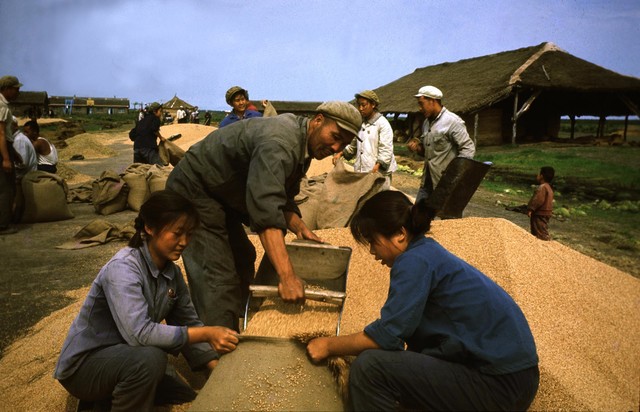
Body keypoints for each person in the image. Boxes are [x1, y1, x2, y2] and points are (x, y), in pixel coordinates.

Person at [307, 190, 539, 411]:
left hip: (500, 384)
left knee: (370, 367)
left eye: (373, 241)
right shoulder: (427, 252)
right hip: (517, 378)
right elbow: (402, 340)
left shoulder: (414, 261)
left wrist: (327, 345)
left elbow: (386, 338)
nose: (372, 252)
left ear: (400, 234)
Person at [166, 101, 362, 330]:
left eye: (344, 144)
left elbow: (281, 194)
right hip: (195, 188)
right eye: (335, 136)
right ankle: (213, 351)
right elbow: (266, 209)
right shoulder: (280, 143)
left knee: (242, 256)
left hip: (221, 192)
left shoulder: (304, 142)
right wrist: (287, 277)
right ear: (318, 120)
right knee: (216, 271)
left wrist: (299, 227)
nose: (336, 147)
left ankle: (242, 320)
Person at [53, 190, 240, 411]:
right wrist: (209, 332)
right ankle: (100, 398)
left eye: (189, 234)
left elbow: (188, 321)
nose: (184, 242)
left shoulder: (171, 273)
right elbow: (139, 333)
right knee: (151, 360)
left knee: (181, 393)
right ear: (149, 228)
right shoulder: (123, 268)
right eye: (177, 233)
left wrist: (219, 373)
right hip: (86, 366)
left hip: (124, 357)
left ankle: (103, 401)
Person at [407, 85, 476, 202]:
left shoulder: (452, 121)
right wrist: (417, 148)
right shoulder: (426, 123)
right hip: (427, 181)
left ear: (432, 101)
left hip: (446, 184)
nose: (419, 108)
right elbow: (429, 152)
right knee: (418, 216)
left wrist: (454, 174)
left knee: (449, 219)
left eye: (421, 103)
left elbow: (468, 149)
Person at [333, 90, 397, 190]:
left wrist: (378, 165)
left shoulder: (382, 124)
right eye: (359, 105)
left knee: (378, 200)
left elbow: (386, 149)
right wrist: (340, 153)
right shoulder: (360, 124)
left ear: (373, 105)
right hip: (363, 171)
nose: (360, 108)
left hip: (378, 173)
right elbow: (354, 144)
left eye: (363, 105)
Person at [0, 75, 22, 235]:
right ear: (7, 89)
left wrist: (14, 154)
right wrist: (7, 159)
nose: (18, 92)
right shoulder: (2, 106)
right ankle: (3, 225)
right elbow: (1, 134)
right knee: (6, 188)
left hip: (5, 146)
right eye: (16, 89)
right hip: (2, 149)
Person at [527, 166, 555, 241]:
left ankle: (544, 244)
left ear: (541, 176)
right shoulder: (549, 187)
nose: (537, 176)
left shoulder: (542, 187)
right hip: (546, 212)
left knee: (539, 232)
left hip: (540, 213)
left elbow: (538, 200)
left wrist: (531, 209)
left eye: (538, 174)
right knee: (542, 228)